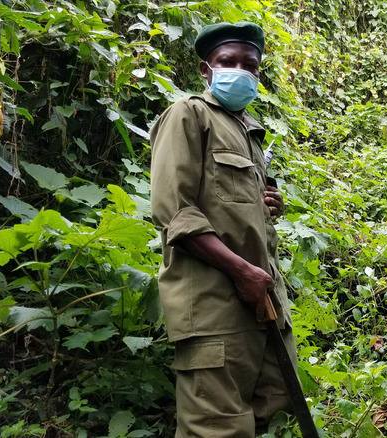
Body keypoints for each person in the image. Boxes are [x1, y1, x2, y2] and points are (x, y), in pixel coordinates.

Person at [149, 21, 296, 438]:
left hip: (262, 304)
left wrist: (270, 204)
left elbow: (230, 205)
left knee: (270, 405)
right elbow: (175, 213)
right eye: (226, 61)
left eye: (248, 64)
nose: (238, 69)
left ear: (259, 73)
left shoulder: (248, 130)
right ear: (205, 69)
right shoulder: (188, 115)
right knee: (217, 429)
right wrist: (241, 272)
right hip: (216, 309)